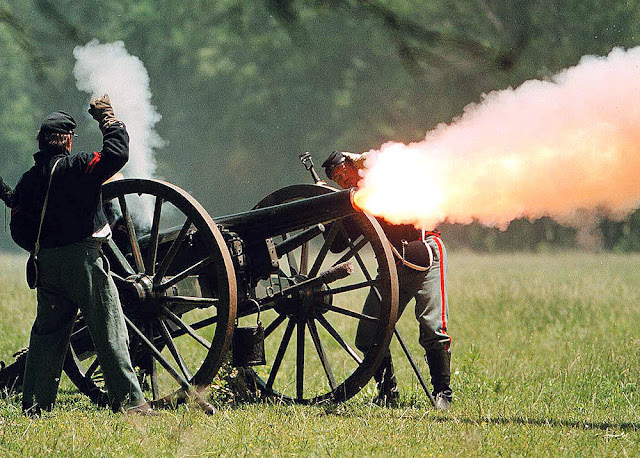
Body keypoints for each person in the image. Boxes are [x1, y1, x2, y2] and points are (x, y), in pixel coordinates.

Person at [11, 96, 155, 416]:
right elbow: (117, 154)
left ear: (41, 142)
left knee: (47, 336)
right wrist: (108, 119)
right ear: (68, 140)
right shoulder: (80, 166)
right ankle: (131, 404)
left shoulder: (28, 181)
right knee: (109, 329)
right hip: (84, 261)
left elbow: (18, 228)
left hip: (46, 264)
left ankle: (35, 407)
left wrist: (41, 249)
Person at [322, 150, 452, 410]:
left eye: (343, 170)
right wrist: (328, 208)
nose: (342, 178)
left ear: (354, 165)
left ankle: (443, 393)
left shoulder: (384, 174)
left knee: (432, 326)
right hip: (392, 264)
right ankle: (387, 392)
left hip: (426, 252)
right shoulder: (356, 204)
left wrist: (365, 165)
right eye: (337, 178)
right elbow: (337, 244)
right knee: (367, 334)